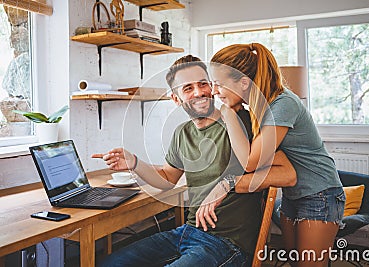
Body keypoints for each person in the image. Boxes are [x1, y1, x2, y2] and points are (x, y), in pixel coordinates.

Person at [93, 55, 296, 267]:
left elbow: (288, 173)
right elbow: (168, 177)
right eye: (188, 88)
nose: (199, 92)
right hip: (187, 232)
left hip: (227, 243)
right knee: (111, 263)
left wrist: (229, 182)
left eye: (202, 84)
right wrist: (135, 162)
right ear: (176, 99)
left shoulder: (242, 123)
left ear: (212, 86)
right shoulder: (182, 133)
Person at [208, 43, 345, 267]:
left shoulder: (282, 104)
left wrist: (228, 114)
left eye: (219, 84)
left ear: (244, 82)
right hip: (293, 195)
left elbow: (252, 161)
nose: (214, 91)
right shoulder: (259, 107)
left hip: (321, 193)